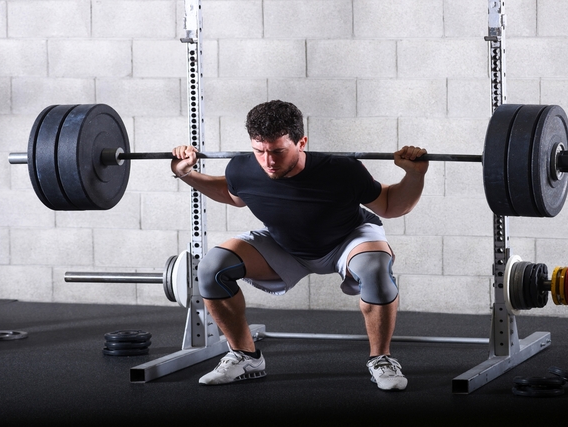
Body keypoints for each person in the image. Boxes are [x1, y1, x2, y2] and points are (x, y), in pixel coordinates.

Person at [171, 100, 428, 391]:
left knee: (376, 271)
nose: (268, 161)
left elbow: (392, 204)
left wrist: (414, 175)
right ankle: (246, 356)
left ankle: (381, 359)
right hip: (286, 244)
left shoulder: (342, 169)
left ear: (301, 142)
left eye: (278, 151)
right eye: (259, 151)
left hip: (347, 240)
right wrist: (185, 173)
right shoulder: (243, 169)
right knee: (211, 269)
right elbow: (232, 194)